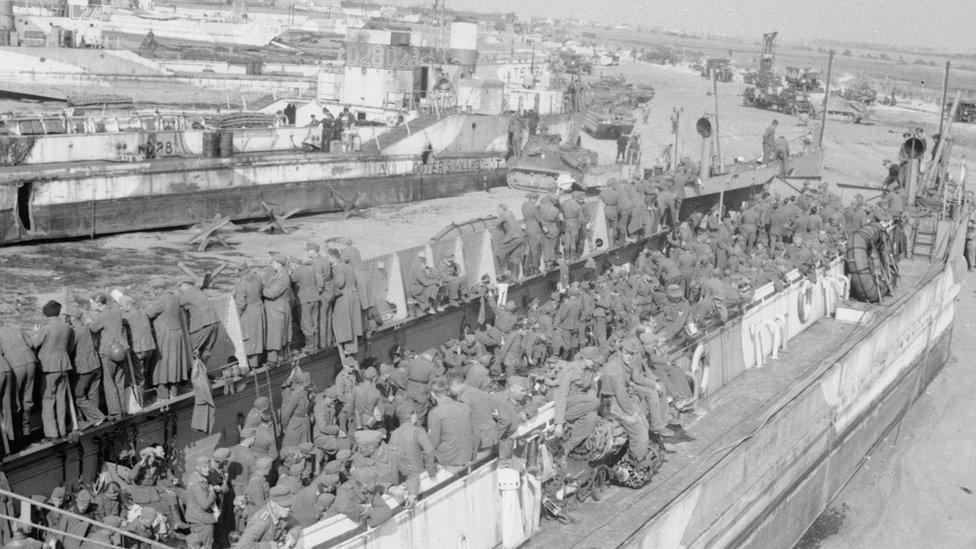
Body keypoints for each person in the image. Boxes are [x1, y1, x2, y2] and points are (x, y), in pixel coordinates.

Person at [30, 300, 73, 441]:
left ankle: (51, 433)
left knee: (48, 399)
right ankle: (62, 431)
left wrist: (35, 332)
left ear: (46, 313)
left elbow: (34, 343)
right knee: (61, 399)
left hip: (49, 367)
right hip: (64, 365)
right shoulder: (67, 327)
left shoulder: (46, 327)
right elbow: (70, 347)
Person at [88, 293, 128, 418]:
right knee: (120, 381)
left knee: (109, 383)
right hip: (121, 349)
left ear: (99, 304)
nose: (91, 306)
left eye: (92, 304)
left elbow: (93, 328)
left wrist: (90, 320)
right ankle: (122, 410)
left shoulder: (102, 316)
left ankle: (115, 412)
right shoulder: (116, 311)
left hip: (108, 352)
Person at [145, 291, 191, 401]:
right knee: (174, 364)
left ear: (157, 289)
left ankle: (163, 396)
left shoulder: (160, 300)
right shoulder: (175, 298)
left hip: (165, 336)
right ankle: (173, 393)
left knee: (161, 365)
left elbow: (148, 314)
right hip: (177, 334)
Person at [427, 379, 476, 472]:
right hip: (466, 455)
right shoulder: (464, 406)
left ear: (433, 394)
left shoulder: (435, 413)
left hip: (448, 459)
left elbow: (433, 442)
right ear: (449, 392)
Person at [0, 322, 37, 438]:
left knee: (15, 400)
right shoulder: (15, 327)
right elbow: (31, 343)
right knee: (27, 398)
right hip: (30, 361)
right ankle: (26, 428)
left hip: (15, 365)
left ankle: (16, 433)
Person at [234, 262, 266, 371]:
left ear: (238, 271)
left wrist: (236, 317)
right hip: (259, 309)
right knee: (258, 335)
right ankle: (258, 361)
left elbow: (241, 303)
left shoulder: (241, 283)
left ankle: (252, 366)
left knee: (249, 338)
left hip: (249, 312)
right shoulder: (257, 278)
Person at [262, 252, 293, 365]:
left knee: (275, 334)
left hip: (276, 309)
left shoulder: (282, 276)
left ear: (279, 263)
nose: (272, 264)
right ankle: (278, 357)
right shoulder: (280, 273)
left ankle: (273, 359)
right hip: (278, 308)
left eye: (273, 262)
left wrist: (259, 289)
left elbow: (271, 293)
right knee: (278, 334)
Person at [178, 279, 219, 363]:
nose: (180, 289)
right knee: (206, 350)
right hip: (214, 322)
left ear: (185, 284)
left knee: (190, 348)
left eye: (180, 286)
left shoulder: (188, 292)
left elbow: (177, 303)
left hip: (204, 325)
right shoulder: (197, 291)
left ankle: (192, 373)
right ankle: (201, 373)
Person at [184, 456, 219, 549]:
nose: (207, 469)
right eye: (204, 467)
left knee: (196, 545)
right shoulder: (197, 482)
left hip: (197, 518)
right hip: (202, 520)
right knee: (206, 545)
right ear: (197, 467)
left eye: (208, 466)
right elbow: (205, 504)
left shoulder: (196, 477)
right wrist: (212, 491)